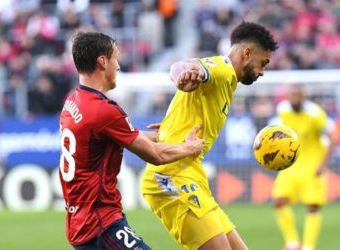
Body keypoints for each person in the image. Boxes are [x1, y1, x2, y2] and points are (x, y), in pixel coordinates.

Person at [59, 31, 205, 250]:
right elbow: (156, 155)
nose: (118, 66)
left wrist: (163, 135)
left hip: (79, 219)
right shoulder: (103, 110)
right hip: (99, 221)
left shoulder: (73, 101)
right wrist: (190, 147)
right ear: (102, 61)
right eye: (116, 58)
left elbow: (114, 137)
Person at [141, 21, 278, 250]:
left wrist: (168, 127)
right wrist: (180, 76)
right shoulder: (222, 70)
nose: (262, 72)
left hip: (193, 175)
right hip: (171, 176)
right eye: (263, 63)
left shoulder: (228, 83)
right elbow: (183, 66)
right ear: (247, 53)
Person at [272, 85, 336, 250]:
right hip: (291, 164)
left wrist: (323, 163)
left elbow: (334, 137)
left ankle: (308, 246)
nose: (294, 97)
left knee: (313, 206)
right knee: (278, 201)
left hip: (313, 164)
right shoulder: (283, 110)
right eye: (291, 94)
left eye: (297, 94)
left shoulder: (315, 114)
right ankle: (292, 243)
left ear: (303, 97)